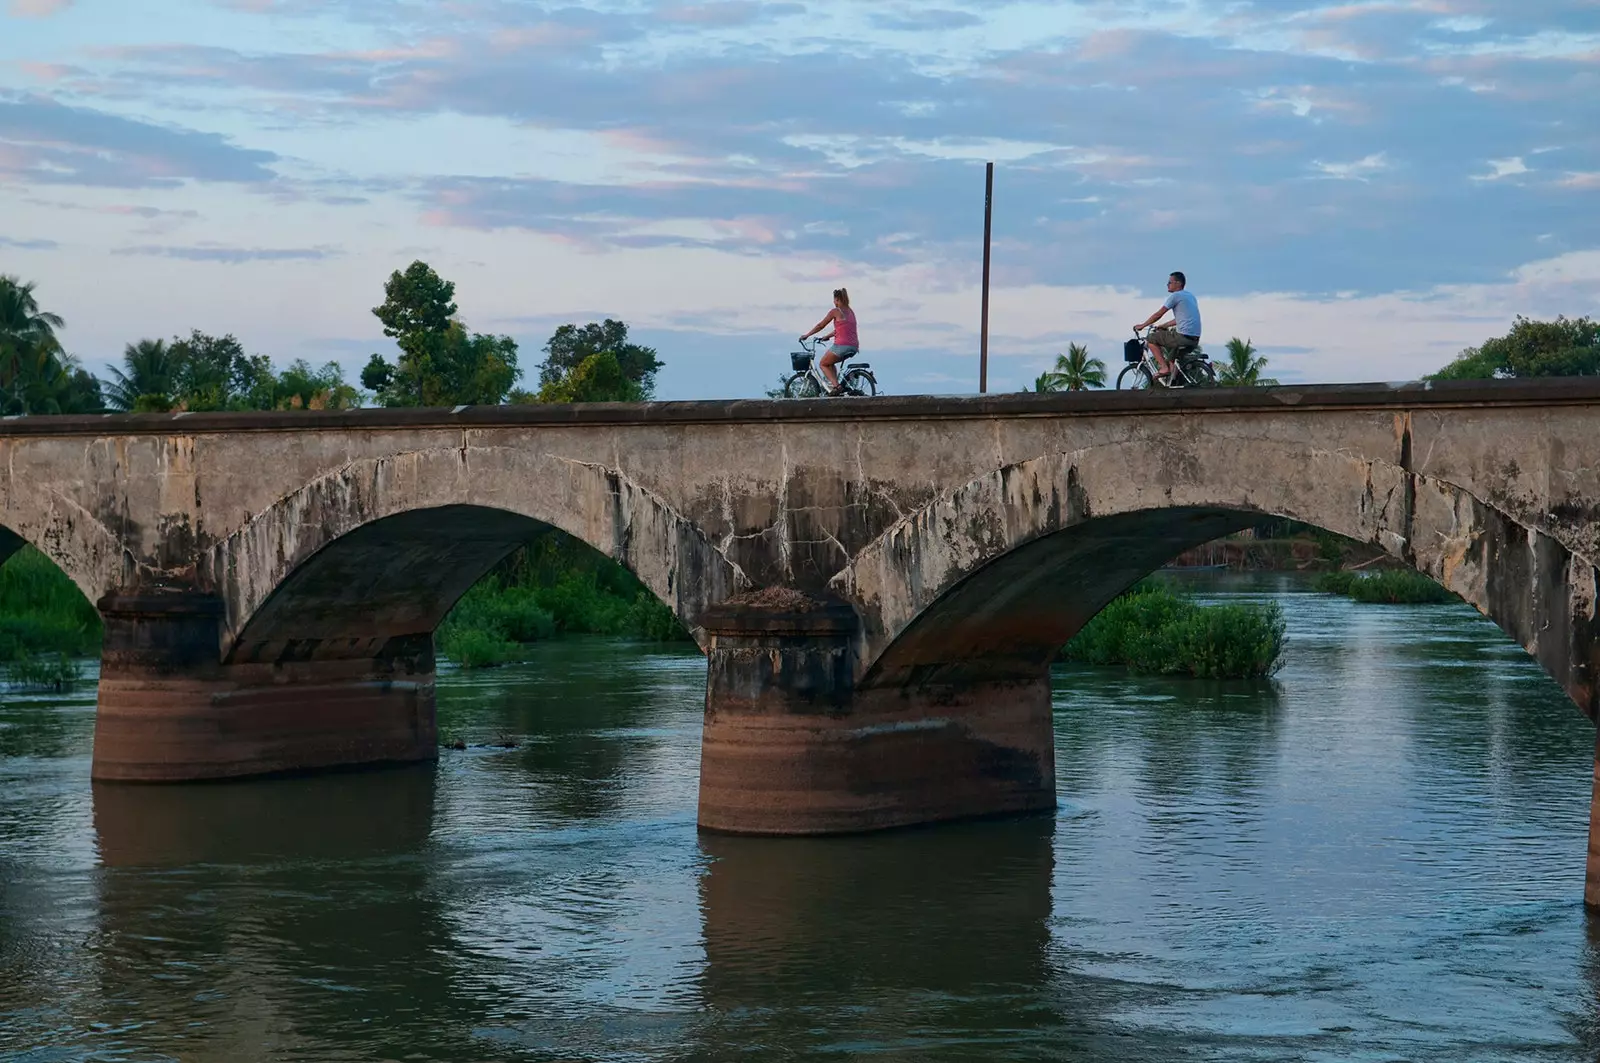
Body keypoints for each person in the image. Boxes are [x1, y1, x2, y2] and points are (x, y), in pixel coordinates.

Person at [1135, 271, 1201, 385]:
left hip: (1182, 337)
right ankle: (1174, 383)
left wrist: (1142, 325)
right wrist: (1163, 326)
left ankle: (1163, 368)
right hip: (1194, 338)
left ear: (1178, 283)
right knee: (1172, 358)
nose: (1167, 285)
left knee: (1151, 339)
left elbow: (1158, 314)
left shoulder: (1176, 296)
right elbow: (1180, 320)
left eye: (1169, 282)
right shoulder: (1190, 296)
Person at [799, 288, 859, 395]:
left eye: (834, 300)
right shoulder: (851, 312)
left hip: (841, 345)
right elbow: (842, 329)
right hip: (853, 346)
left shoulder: (836, 311)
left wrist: (807, 335)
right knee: (830, 363)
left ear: (837, 299)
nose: (834, 302)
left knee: (823, 363)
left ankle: (837, 387)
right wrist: (827, 336)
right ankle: (837, 388)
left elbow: (821, 325)